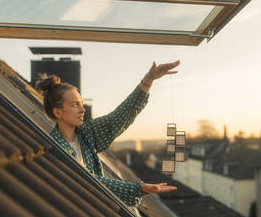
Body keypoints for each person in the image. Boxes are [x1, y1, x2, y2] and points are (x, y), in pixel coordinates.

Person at [36, 60, 180, 207]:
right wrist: (140, 188)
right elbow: (87, 181)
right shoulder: (54, 149)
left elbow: (121, 115)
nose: (82, 110)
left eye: (81, 103)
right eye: (75, 105)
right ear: (58, 112)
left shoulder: (86, 134)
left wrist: (149, 79)